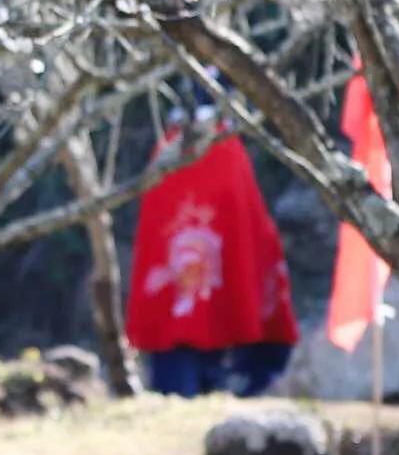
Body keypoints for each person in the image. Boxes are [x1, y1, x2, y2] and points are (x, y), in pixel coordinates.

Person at [128, 111, 300, 396]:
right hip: (186, 328)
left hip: (218, 325)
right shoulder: (184, 152)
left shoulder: (217, 151)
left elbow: (245, 229)